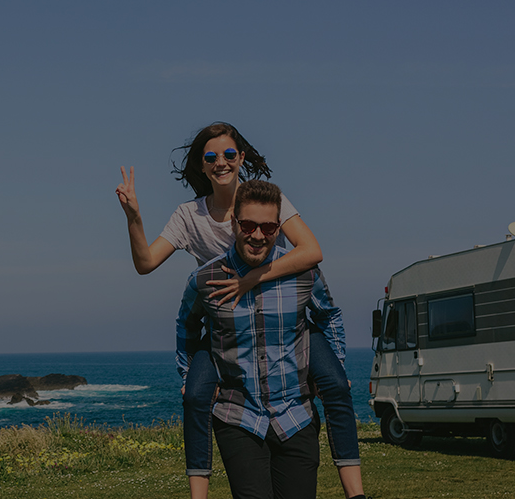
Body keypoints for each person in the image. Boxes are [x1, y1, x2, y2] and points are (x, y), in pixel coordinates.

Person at [116, 122, 362, 499]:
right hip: (225, 325)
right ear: (201, 165)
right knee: (195, 396)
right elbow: (147, 262)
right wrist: (134, 216)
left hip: (281, 313)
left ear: (241, 158)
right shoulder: (189, 216)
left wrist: (253, 279)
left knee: (336, 384)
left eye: (229, 154)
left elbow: (311, 252)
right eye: (211, 156)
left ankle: (355, 491)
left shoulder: (266, 202)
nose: (221, 162)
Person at [176, 179, 347, 499]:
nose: (257, 235)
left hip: (296, 416)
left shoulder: (304, 273)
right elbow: (187, 326)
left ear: (279, 227)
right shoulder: (205, 280)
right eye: (249, 225)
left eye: (268, 227)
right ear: (234, 223)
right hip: (238, 419)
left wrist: (333, 368)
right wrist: (189, 375)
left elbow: (328, 316)